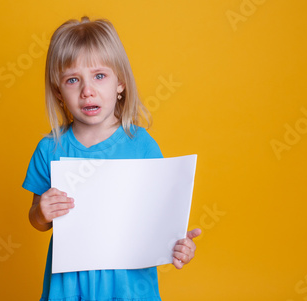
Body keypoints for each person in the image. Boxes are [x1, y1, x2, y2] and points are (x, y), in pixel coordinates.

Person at [22, 16, 201, 301]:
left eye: (99, 76)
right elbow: (37, 219)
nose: (87, 90)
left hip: (128, 282)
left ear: (120, 83)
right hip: (70, 281)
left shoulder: (141, 145)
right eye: (72, 80)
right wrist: (42, 212)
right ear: (58, 92)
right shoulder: (50, 148)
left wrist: (178, 245)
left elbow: (161, 216)